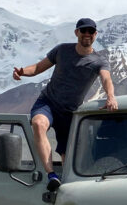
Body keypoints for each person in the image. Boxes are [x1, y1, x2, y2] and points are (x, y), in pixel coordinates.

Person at [13, 17, 117, 190]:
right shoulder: (62, 50)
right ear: (77, 32)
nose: (87, 34)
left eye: (91, 31)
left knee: (67, 155)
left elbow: (107, 79)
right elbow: (38, 68)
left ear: (95, 34)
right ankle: (51, 174)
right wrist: (22, 72)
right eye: (83, 30)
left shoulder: (99, 61)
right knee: (38, 124)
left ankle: (67, 186)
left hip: (70, 112)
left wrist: (111, 97)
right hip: (48, 102)